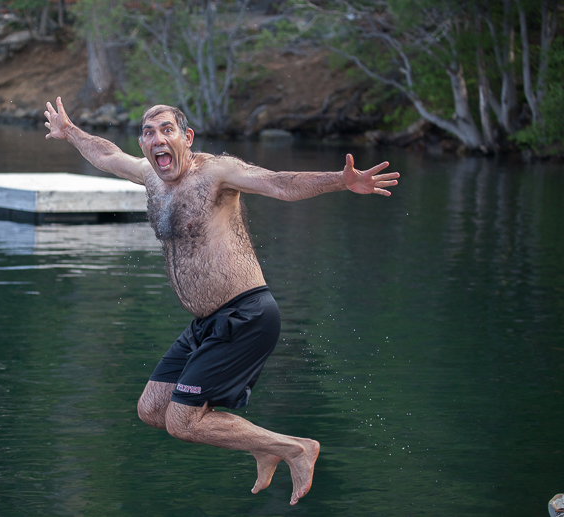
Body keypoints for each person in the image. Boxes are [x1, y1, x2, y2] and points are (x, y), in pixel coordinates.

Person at [44, 97, 399, 505]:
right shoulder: (149, 176)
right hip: (206, 324)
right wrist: (70, 132)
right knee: (152, 409)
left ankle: (295, 448)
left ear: (187, 138)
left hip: (245, 315)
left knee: (182, 421)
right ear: (142, 144)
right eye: (149, 133)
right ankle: (264, 447)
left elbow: (279, 183)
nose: (157, 139)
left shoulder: (215, 172)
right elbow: (107, 155)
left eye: (167, 130)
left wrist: (340, 180)